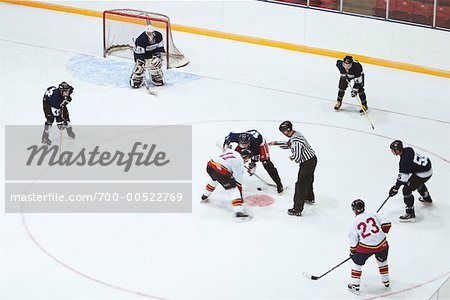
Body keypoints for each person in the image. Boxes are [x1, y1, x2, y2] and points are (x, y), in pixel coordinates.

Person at [269, 121, 317, 216]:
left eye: (284, 132)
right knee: (309, 179)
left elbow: (297, 156)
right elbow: (288, 144)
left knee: (300, 185)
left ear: (287, 130)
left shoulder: (296, 141)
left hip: (306, 163)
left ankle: (297, 209)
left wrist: (292, 157)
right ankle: (309, 197)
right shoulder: (296, 134)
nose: (284, 134)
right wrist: (276, 143)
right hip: (312, 159)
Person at [347, 199, 391, 295]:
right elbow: (387, 223)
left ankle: (355, 285)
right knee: (382, 262)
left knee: (357, 263)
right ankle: (386, 281)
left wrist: (353, 251)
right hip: (382, 244)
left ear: (354, 210)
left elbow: (353, 238)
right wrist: (383, 230)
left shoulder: (354, 222)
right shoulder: (373, 214)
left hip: (366, 247)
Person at [201, 149, 253, 221]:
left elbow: (225, 149)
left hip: (210, 166)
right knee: (233, 188)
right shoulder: (239, 162)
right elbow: (238, 183)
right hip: (220, 170)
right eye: (248, 159)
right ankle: (239, 211)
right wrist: (240, 197)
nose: (247, 161)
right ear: (246, 157)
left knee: (215, 179)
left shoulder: (233, 152)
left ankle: (205, 195)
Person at [388, 140, 433, 222]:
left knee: (406, 190)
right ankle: (427, 197)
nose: (391, 151)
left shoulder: (404, 162)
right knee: (415, 181)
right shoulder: (408, 149)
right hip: (428, 168)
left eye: (392, 150)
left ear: (397, 150)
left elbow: (403, 179)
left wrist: (395, 188)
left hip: (423, 173)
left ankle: (410, 213)